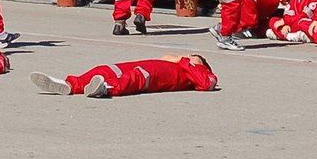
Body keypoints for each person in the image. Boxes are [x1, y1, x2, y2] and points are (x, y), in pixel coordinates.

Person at [30, 53, 220, 98]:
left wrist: (189, 62)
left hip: (156, 75)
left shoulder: (200, 73)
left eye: (193, 56)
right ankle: (71, 85)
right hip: (147, 64)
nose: (187, 56)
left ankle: (104, 88)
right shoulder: (181, 64)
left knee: (135, 78)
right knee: (106, 69)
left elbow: (206, 83)